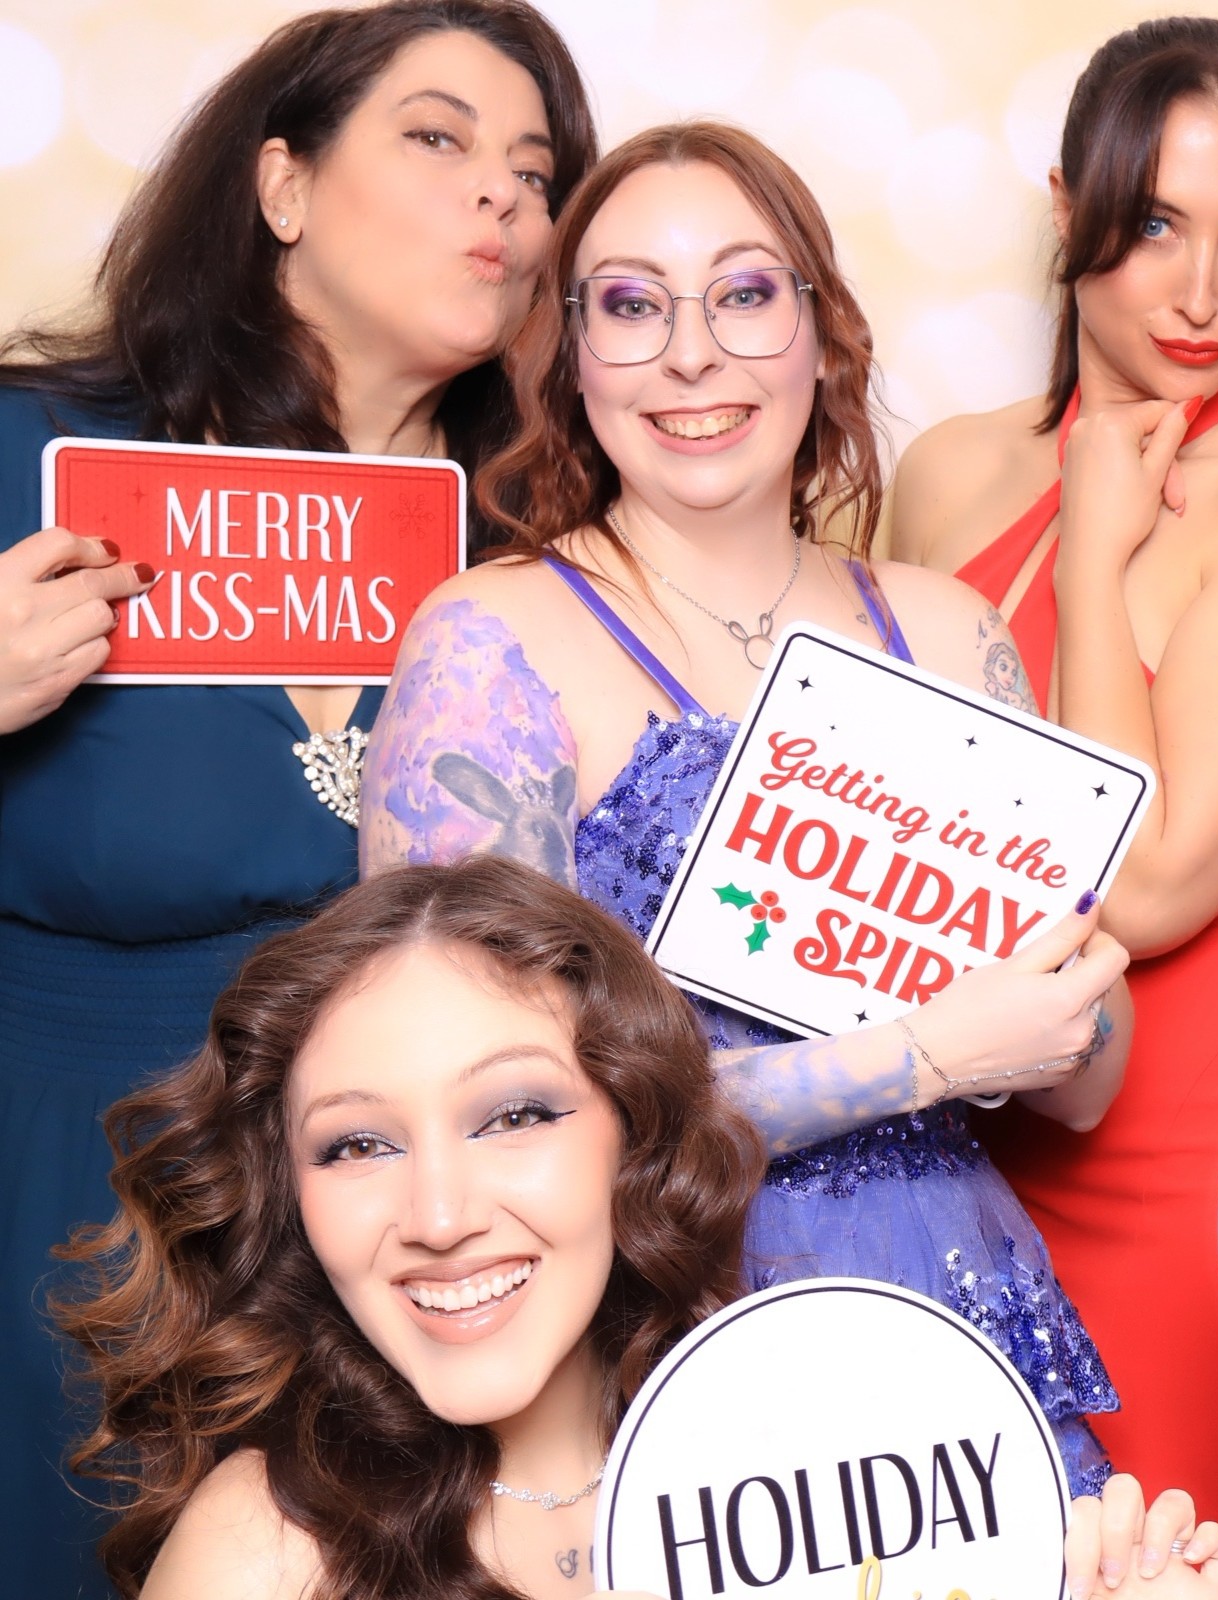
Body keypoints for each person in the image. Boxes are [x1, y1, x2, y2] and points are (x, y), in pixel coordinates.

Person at [359, 122, 1132, 1493]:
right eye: (632, 305)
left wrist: (1067, 1001)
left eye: (743, 293)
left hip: (952, 1318)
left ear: (821, 335)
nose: (692, 353)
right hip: (656, 1339)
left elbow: (1088, 1086)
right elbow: (465, 1120)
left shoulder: (952, 634)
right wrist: (925, 1055)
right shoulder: (489, 641)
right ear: (570, 354)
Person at [0, 5, 594, 1587]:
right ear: (279, 186)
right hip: (49, 1244)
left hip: (397, 1291)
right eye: (440, 138)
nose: (504, 202)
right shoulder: (27, 458)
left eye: (535, 177)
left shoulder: (547, 575)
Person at [52, 854, 1218, 1600]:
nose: (441, 1216)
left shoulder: (843, 1484)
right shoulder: (270, 1551)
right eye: (358, 1143)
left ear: (636, 1131)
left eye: (514, 1114)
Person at [888, 18, 1218, 1534]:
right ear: (1067, 209)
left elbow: (1150, 881)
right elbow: (881, 792)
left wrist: (1097, 563)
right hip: (954, 1122)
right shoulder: (947, 470)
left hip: (1198, 1162)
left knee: (1168, 1552)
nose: (1200, 290)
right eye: (1158, 223)